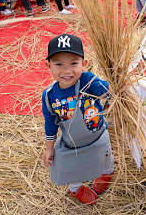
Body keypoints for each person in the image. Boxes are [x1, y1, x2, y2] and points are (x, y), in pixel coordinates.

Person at [42, 34, 115, 205]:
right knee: (74, 168)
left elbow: (104, 90)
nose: (67, 70)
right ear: (48, 66)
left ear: (84, 64)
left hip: (98, 136)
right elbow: (50, 124)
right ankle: (76, 189)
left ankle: (106, 173)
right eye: (59, 64)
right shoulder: (49, 96)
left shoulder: (88, 81)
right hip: (73, 143)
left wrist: (116, 86)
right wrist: (49, 149)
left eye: (73, 63)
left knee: (106, 157)